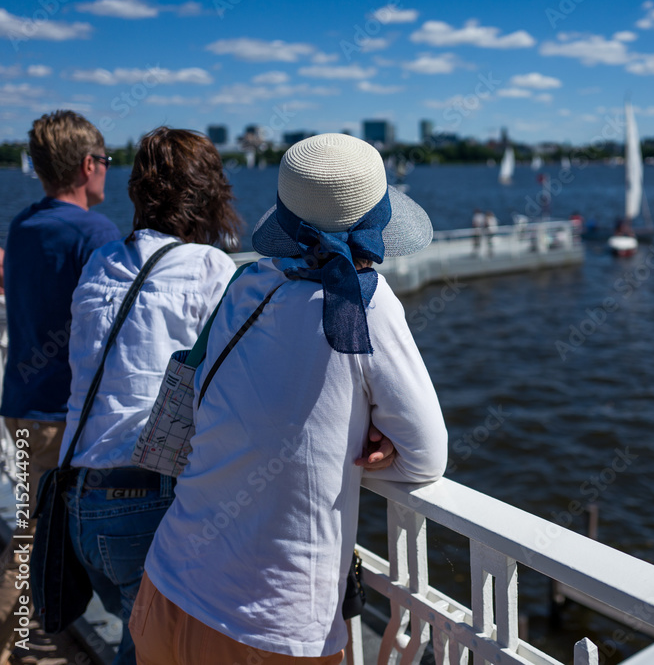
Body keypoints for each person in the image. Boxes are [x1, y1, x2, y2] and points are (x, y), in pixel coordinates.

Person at [134, 133, 448, 664]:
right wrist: (367, 452)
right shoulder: (365, 305)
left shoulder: (244, 283)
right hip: (269, 628)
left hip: (166, 586)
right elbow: (428, 456)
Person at [58, 127, 242, 665]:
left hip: (80, 499)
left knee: (140, 638)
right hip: (147, 502)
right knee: (158, 654)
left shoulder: (102, 261)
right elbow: (234, 385)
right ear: (208, 195)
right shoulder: (209, 268)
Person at [0, 110, 120, 657]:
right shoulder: (97, 232)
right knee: (52, 540)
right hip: (67, 416)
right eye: (106, 162)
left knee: (33, 529)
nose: (107, 174)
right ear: (88, 164)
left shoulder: (23, 226)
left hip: (22, 407)